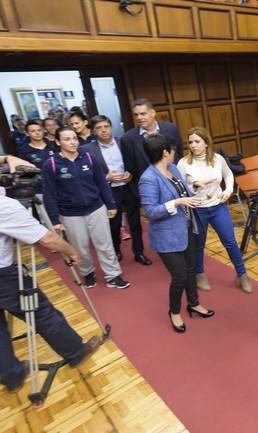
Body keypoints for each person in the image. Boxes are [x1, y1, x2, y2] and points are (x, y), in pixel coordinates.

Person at [0, 187, 102, 392]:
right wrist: (71, 251)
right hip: (3, 278)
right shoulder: (5, 206)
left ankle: (12, 376)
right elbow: (46, 239)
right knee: (42, 314)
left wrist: (7, 158)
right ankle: (76, 352)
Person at [138, 134, 214, 333]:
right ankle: (174, 312)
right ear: (165, 152)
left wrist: (194, 187)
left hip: (186, 227)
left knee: (191, 270)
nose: (174, 153)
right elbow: (151, 211)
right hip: (166, 237)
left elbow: (183, 191)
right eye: (171, 150)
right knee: (179, 276)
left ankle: (194, 303)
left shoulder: (172, 169)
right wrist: (177, 203)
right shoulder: (148, 179)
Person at [42, 127, 130, 290]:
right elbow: (49, 194)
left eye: (74, 138)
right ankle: (88, 273)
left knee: (105, 243)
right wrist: (54, 219)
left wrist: (110, 204)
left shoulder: (88, 158)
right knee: (80, 246)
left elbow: (102, 183)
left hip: (96, 208)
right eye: (67, 139)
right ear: (57, 142)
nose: (72, 142)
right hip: (70, 214)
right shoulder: (51, 164)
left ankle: (113, 275)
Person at [177, 127, 251, 293]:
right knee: (199, 245)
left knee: (230, 242)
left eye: (197, 141)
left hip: (218, 207)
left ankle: (242, 274)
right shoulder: (183, 163)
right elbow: (180, 188)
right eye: (190, 142)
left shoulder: (218, 159)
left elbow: (228, 175)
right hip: (197, 209)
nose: (193, 145)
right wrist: (194, 185)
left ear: (206, 143)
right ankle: (199, 274)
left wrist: (227, 191)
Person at [81, 115, 151, 266]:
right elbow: (87, 174)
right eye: (99, 128)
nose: (104, 131)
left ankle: (139, 253)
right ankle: (116, 251)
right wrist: (106, 177)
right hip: (109, 192)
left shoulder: (124, 142)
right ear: (93, 131)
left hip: (129, 188)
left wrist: (130, 174)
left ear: (111, 127)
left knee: (135, 223)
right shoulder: (88, 150)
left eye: (106, 127)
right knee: (114, 225)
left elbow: (135, 163)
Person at [121, 98, 185, 187]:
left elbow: (180, 154)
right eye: (136, 115)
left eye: (143, 114)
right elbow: (131, 169)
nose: (139, 118)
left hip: (174, 181)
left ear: (153, 113)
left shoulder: (171, 129)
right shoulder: (128, 138)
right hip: (150, 187)